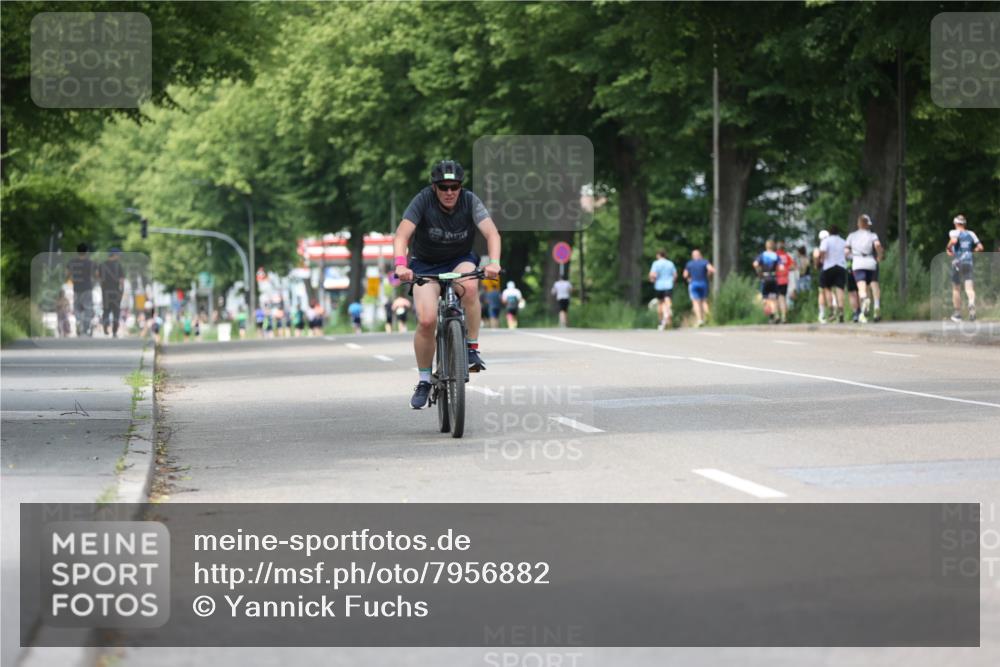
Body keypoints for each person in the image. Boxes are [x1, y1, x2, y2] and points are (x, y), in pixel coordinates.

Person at [391, 160, 503, 409]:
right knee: (427, 320)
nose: (450, 192)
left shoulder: (470, 201)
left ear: (461, 187)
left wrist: (494, 262)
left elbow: (492, 233)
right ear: (434, 187)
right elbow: (402, 235)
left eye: (455, 186)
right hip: (425, 266)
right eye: (444, 187)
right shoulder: (422, 201)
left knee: (471, 286)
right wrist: (401, 265)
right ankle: (423, 380)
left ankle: (471, 348)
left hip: (459, 260)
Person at [845, 214, 884, 323]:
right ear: (867, 224)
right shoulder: (872, 235)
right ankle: (875, 307)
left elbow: (846, 251)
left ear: (858, 223)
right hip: (871, 262)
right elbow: (877, 245)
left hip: (857, 262)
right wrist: (880, 256)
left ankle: (864, 303)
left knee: (862, 288)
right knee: (873, 284)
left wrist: (850, 256)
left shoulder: (852, 236)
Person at [947, 214, 984, 322]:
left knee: (956, 288)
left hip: (958, 263)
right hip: (968, 262)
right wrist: (972, 251)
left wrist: (948, 247)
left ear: (956, 224)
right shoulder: (971, 233)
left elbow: (953, 241)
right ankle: (971, 303)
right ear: (964, 224)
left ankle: (958, 314)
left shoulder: (954, 232)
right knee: (969, 288)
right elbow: (980, 247)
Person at [66, 243, 97, 337]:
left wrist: (72, 277)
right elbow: (96, 274)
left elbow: (67, 274)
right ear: (86, 251)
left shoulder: (72, 262)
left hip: (76, 288)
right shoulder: (91, 263)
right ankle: (86, 328)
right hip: (87, 288)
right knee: (88, 308)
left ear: (77, 251)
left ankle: (79, 321)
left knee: (77, 308)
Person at [819, 225, 848, 323]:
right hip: (841, 267)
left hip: (828, 266)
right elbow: (847, 253)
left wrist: (821, 259)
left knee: (828, 289)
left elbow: (822, 251)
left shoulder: (826, 241)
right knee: (840, 289)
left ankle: (831, 311)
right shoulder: (843, 241)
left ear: (829, 232)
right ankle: (841, 310)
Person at [753, 239, 783, 323]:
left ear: (766, 246)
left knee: (765, 298)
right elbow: (781, 267)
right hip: (773, 278)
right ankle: (775, 314)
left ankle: (771, 315)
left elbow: (755, 264)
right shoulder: (776, 255)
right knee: (773, 298)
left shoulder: (762, 255)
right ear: (773, 246)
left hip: (765, 278)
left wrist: (759, 273)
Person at [683, 248, 715, 326]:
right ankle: (709, 319)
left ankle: (699, 320)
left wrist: (688, 279)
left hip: (693, 284)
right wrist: (708, 275)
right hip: (703, 283)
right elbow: (712, 270)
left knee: (695, 302)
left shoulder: (689, 264)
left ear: (693, 256)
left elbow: (685, 275)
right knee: (704, 302)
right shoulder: (704, 262)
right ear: (700, 255)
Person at [98, 248, 126, 337]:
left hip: (105, 292)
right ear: (114, 255)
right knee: (116, 312)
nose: (119, 256)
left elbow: (99, 279)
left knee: (106, 310)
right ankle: (114, 332)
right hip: (116, 292)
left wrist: (103, 288)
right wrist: (122, 291)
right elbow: (122, 281)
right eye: (118, 255)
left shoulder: (102, 265)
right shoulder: (118, 266)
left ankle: (105, 326)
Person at [648, 249, 677, 330]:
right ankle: (668, 311)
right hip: (669, 285)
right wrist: (673, 282)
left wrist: (652, 279)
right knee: (667, 300)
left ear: (658, 255)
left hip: (659, 286)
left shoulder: (656, 263)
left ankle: (661, 321)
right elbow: (675, 275)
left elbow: (652, 274)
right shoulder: (670, 263)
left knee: (660, 303)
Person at [775, 240, 793, 322]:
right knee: (783, 298)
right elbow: (793, 266)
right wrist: (786, 269)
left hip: (776, 279)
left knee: (776, 298)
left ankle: (777, 315)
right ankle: (784, 317)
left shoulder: (774, 255)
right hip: (785, 280)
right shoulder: (786, 256)